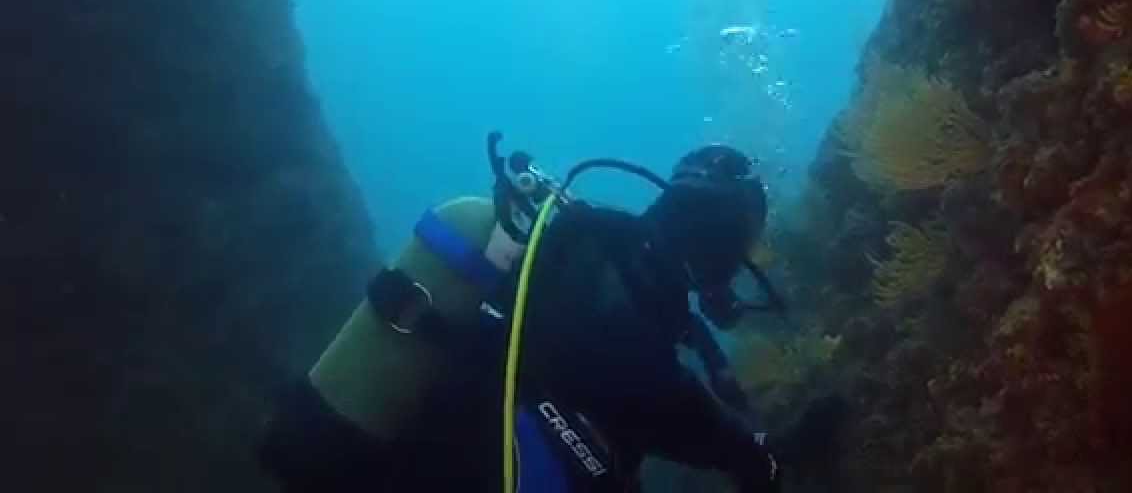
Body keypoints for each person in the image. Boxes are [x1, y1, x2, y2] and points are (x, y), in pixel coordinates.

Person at [259, 139, 784, 492]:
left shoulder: (604, 251)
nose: (739, 267)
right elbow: (654, 392)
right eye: (742, 245)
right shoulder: (615, 273)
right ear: (719, 234)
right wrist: (749, 454)